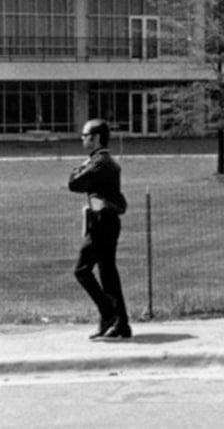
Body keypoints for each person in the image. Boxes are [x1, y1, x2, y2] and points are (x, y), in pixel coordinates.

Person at [68, 118, 131, 340]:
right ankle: (121, 324)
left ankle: (109, 314)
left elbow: (74, 183)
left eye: (85, 135)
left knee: (82, 270)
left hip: (101, 223)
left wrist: (80, 167)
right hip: (108, 221)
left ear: (95, 138)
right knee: (107, 273)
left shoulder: (99, 163)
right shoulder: (106, 161)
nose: (82, 139)